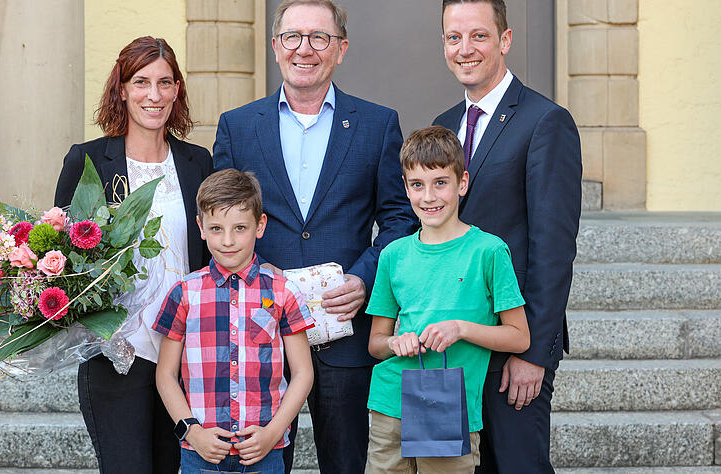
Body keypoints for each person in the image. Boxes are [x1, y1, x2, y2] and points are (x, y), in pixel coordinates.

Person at [213, 1, 417, 471]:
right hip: (259, 332)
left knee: (346, 464)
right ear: (275, 47)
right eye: (293, 37)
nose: (304, 49)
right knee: (257, 464)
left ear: (341, 49)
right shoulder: (238, 126)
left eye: (319, 37)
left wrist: (364, 279)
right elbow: (220, 217)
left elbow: (399, 219)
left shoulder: (377, 124)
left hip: (344, 331)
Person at [432, 1, 582, 472]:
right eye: (454, 37)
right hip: (448, 348)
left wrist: (533, 353)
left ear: (505, 40)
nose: (465, 49)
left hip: (510, 349)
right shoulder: (443, 124)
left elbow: (553, 250)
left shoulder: (545, 121)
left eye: (479, 35)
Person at [54, 36, 212, 473]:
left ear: (177, 90)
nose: (153, 95)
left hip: (186, 352)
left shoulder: (198, 163)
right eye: (141, 82)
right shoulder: (88, 160)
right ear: (121, 89)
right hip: (117, 354)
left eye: (165, 82)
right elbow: (63, 260)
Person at [365, 126, 530, 474]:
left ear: (462, 183)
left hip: (450, 409)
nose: (428, 197)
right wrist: (395, 342)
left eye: (440, 183)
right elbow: (376, 343)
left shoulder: (489, 251)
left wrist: (460, 328)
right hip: (390, 404)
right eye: (417, 185)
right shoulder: (393, 254)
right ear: (405, 187)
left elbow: (519, 337)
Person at [153, 169, 315, 474]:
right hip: (201, 453)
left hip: (264, 451)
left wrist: (273, 433)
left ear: (260, 225)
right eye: (216, 228)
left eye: (240, 228)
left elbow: (303, 373)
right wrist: (192, 432)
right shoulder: (183, 293)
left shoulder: (283, 292)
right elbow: (165, 375)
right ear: (201, 227)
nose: (228, 241)